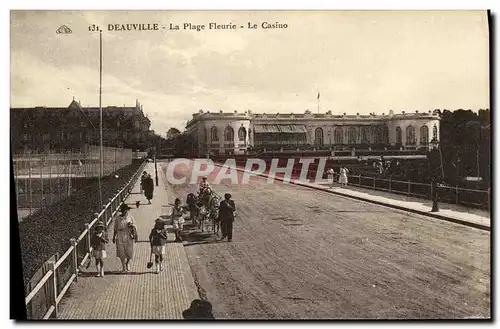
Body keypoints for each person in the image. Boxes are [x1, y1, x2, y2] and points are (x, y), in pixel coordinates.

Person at [113, 204, 137, 272]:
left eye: (126, 210)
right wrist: (114, 237)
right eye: (124, 210)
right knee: (121, 251)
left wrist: (131, 225)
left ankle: (127, 263)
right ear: (122, 211)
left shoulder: (130, 217)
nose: (125, 212)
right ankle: (123, 267)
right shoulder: (118, 218)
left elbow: (135, 226)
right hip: (120, 235)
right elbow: (115, 228)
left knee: (129, 251)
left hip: (128, 235)